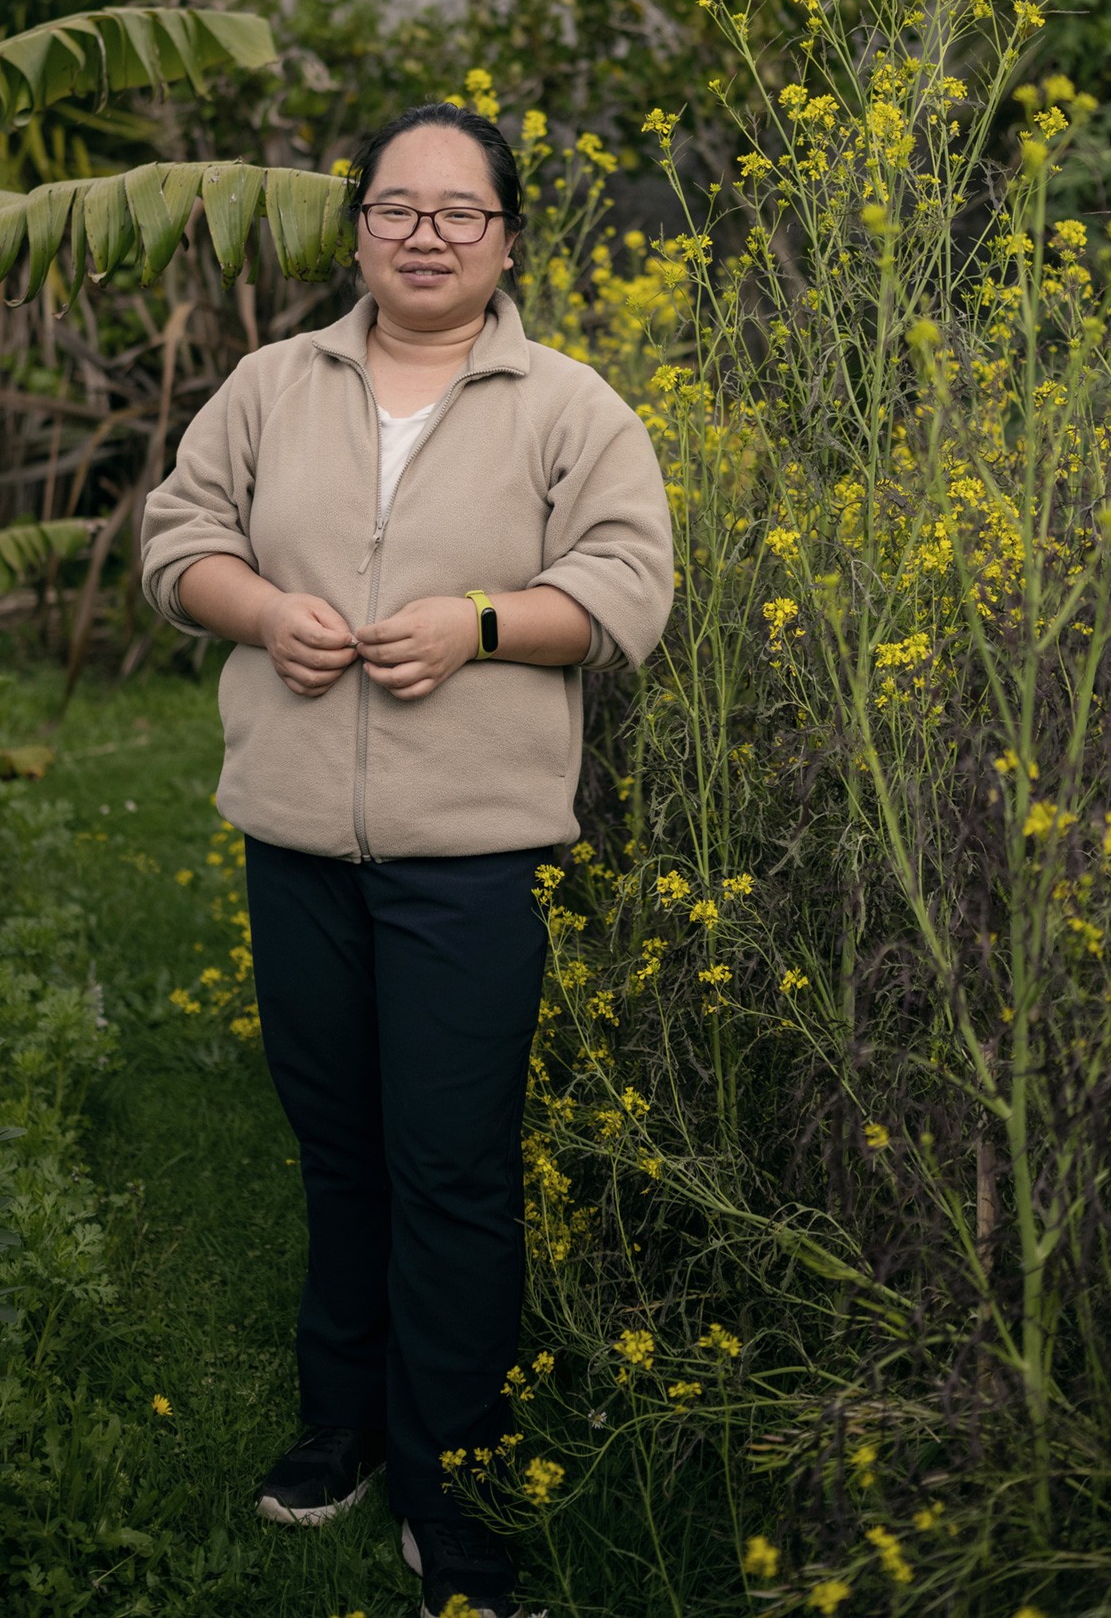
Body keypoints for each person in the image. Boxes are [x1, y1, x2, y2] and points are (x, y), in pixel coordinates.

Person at [140, 102, 674, 1618]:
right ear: (357, 228)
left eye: (459, 210)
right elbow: (179, 535)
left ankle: (457, 1485)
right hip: (300, 842)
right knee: (338, 1145)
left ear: (508, 237)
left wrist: (480, 623)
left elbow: (632, 582)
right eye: (394, 206)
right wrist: (256, 611)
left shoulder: (568, 403)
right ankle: (346, 1422)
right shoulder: (271, 384)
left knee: (450, 1166)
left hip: (471, 858)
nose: (424, 232)